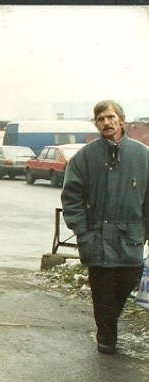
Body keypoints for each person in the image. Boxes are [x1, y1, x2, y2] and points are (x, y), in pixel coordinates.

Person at [60, 100, 149, 354]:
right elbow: (71, 198)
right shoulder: (85, 157)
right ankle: (107, 338)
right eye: (100, 119)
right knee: (102, 292)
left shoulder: (143, 156)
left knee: (125, 284)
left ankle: (108, 325)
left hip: (130, 237)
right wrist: (82, 231)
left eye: (110, 117)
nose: (106, 122)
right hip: (96, 237)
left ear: (122, 120)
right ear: (96, 124)